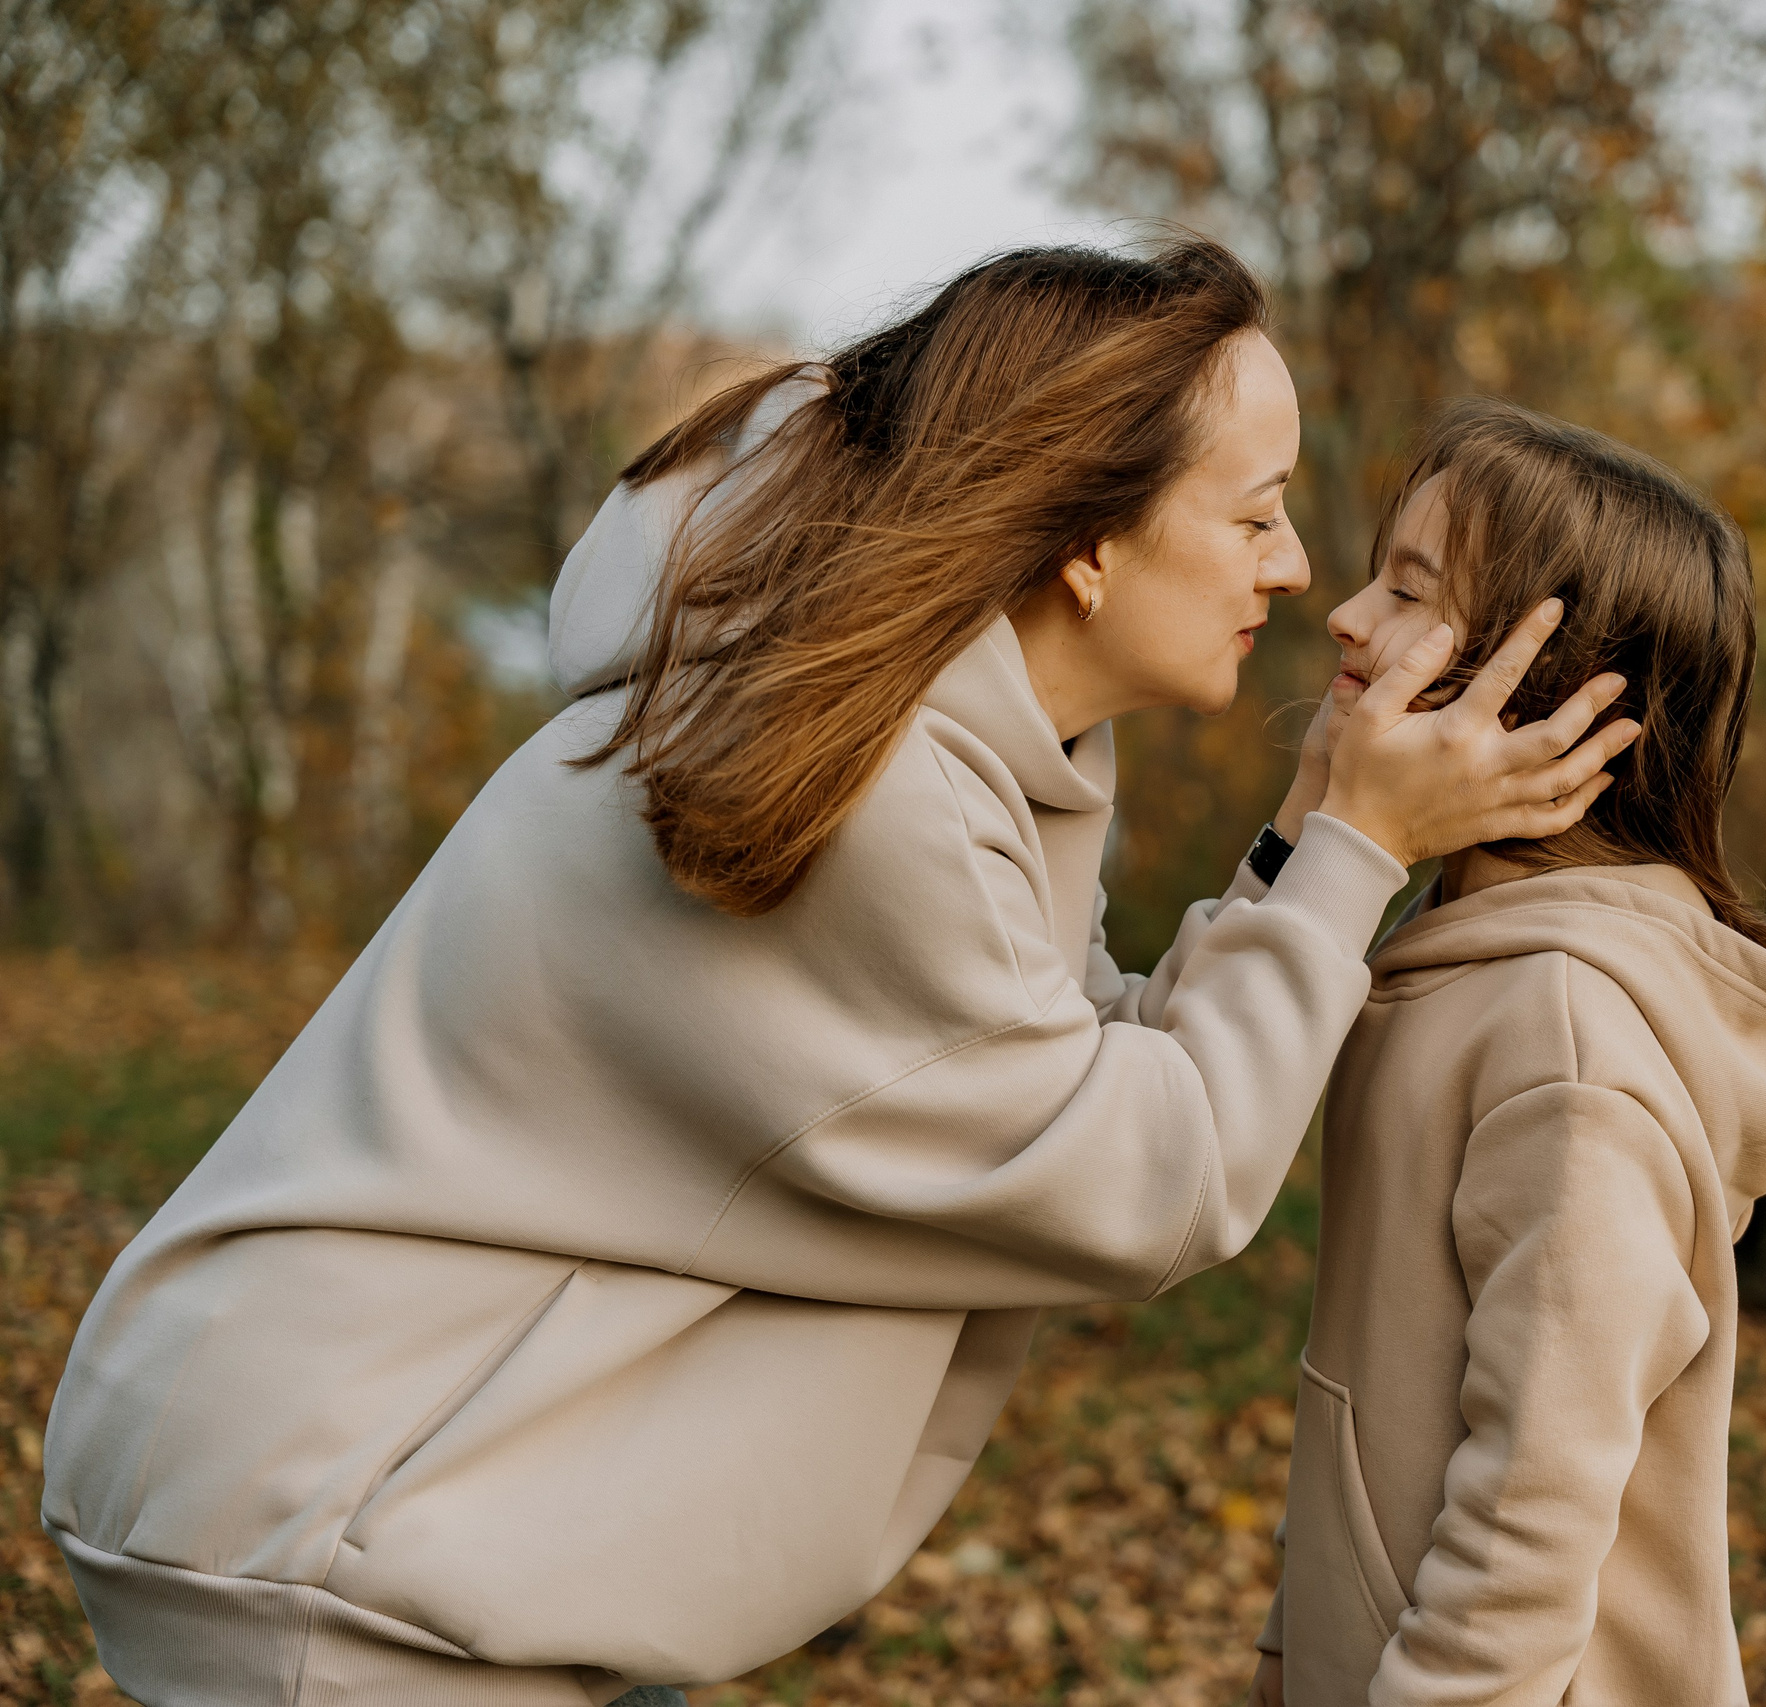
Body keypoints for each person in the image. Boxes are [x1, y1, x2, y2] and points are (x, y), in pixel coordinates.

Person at [40, 241, 1638, 1705]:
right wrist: (1357, 845)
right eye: (1257, 511)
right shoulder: (864, 794)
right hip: (340, 1519)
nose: (1297, 574)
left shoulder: (938, 725)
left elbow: (1074, 1076)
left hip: (409, 1503)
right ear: (1090, 539)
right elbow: (1149, 1180)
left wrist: (1306, 833)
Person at [1248, 400, 1766, 1706]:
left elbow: (1532, 1518)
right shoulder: (1452, 954)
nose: (1349, 620)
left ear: (1543, 686)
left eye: (1408, 593)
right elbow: (1374, 1398)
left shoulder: (1565, 1031)